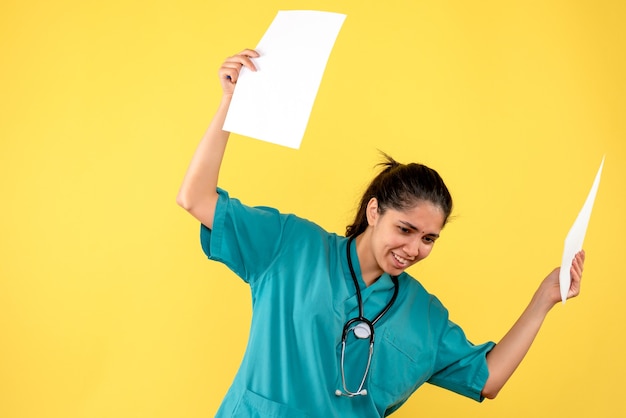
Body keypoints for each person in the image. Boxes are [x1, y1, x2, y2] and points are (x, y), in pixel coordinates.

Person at [177, 49, 585, 417]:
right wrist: (232, 104)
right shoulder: (290, 245)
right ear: (374, 211)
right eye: (405, 229)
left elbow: (488, 378)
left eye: (428, 239)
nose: (413, 249)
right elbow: (195, 197)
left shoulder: (423, 315)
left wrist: (546, 297)